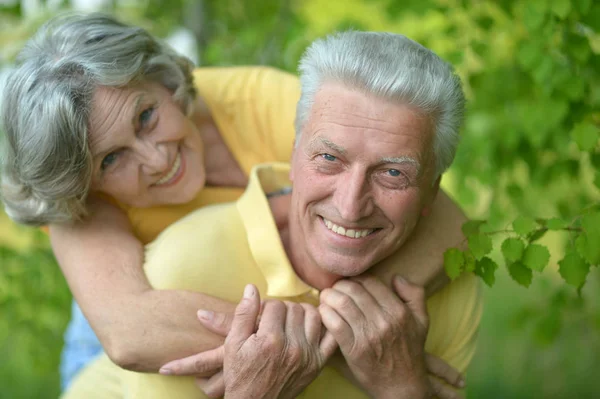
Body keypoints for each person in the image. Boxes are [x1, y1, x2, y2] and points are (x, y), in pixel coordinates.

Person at [0, 11, 469, 389]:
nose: (155, 158)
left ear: (163, 81)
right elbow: (131, 334)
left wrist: (318, 337)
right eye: (112, 159)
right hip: (109, 353)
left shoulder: (256, 99)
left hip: (244, 311)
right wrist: (343, 348)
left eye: (146, 116)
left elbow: (450, 226)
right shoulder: (77, 195)